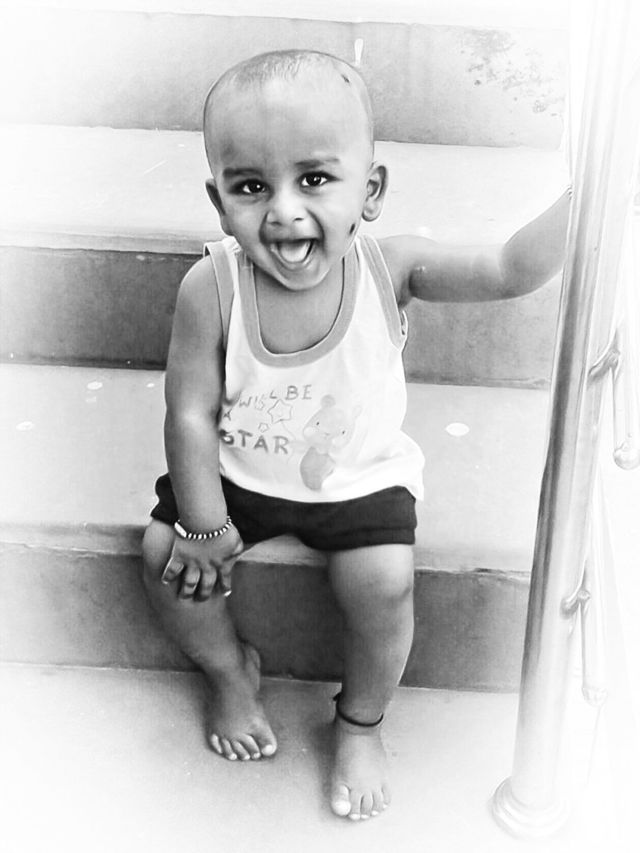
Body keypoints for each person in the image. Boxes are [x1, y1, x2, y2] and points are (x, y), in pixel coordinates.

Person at [142, 49, 570, 822]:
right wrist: (204, 523)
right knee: (162, 559)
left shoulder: (390, 268)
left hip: (360, 478)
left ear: (369, 192)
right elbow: (190, 413)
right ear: (219, 202)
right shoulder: (212, 286)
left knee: (384, 584)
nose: (283, 210)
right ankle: (231, 673)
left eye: (314, 179)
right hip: (238, 477)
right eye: (250, 186)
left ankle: (361, 721)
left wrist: (592, 197)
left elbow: (509, 269)